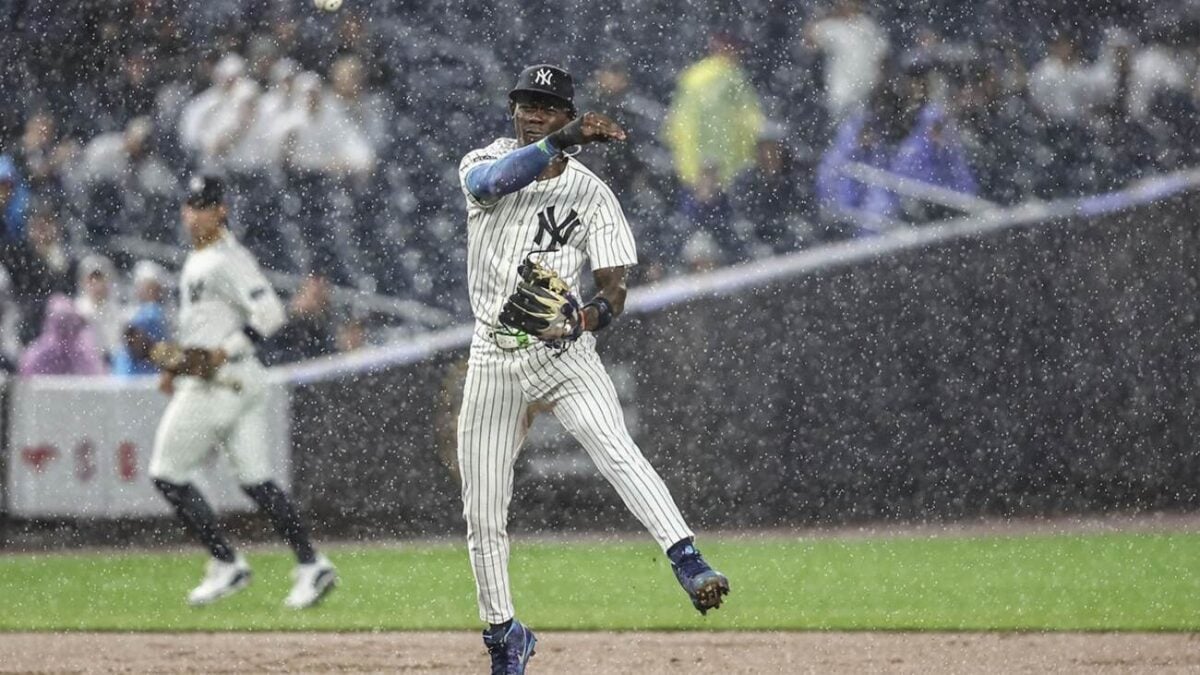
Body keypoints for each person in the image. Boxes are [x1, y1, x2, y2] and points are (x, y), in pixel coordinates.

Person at [458, 64, 730, 674]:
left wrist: (581, 320)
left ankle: (687, 559)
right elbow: (495, 180)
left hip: (564, 354)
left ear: (566, 112)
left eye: (546, 107)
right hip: (493, 355)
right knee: (483, 509)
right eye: (525, 103)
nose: (531, 112)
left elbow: (614, 289)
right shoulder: (483, 161)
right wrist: (559, 142)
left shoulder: (593, 194)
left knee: (613, 447)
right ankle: (505, 636)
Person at [147, 175, 336, 609]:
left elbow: (269, 313)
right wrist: (178, 368)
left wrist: (222, 351)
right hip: (237, 380)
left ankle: (226, 562)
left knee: (166, 474)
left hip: (222, 382)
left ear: (221, 210)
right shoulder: (202, 258)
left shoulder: (227, 257)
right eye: (190, 205)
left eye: (203, 205)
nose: (193, 213)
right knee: (256, 481)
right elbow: (206, 323)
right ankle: (311, 564)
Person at [18, 294, 106, 376]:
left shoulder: (83, 348)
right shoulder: (42, 351)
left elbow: (97, 378)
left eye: (68, 320)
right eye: (60, 322)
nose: (65, 327)